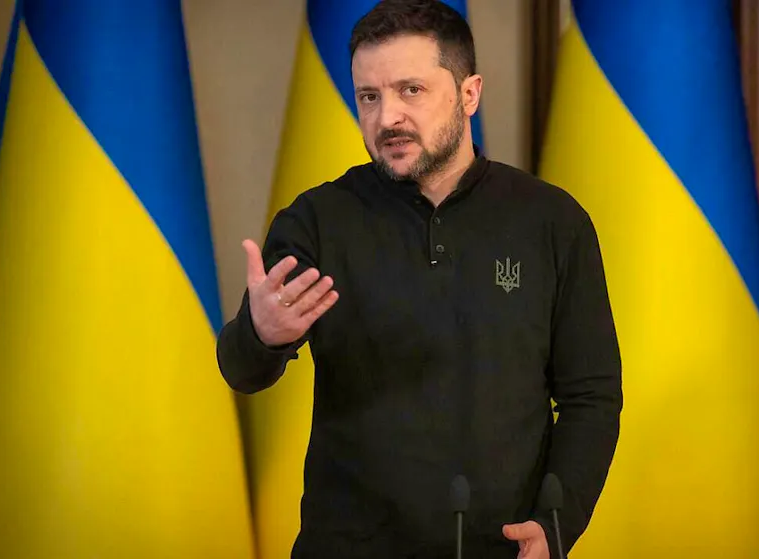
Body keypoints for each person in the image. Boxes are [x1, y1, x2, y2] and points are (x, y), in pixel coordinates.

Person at [216, 0, 622, 557]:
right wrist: (262, 335)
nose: (388, 118)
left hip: (501, 548)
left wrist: (556, 524)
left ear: (469, 94)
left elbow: (590, 395)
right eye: (369, 96)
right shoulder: (317, 220)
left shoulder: (552, 221)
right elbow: (242, 371)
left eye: (411, 90)